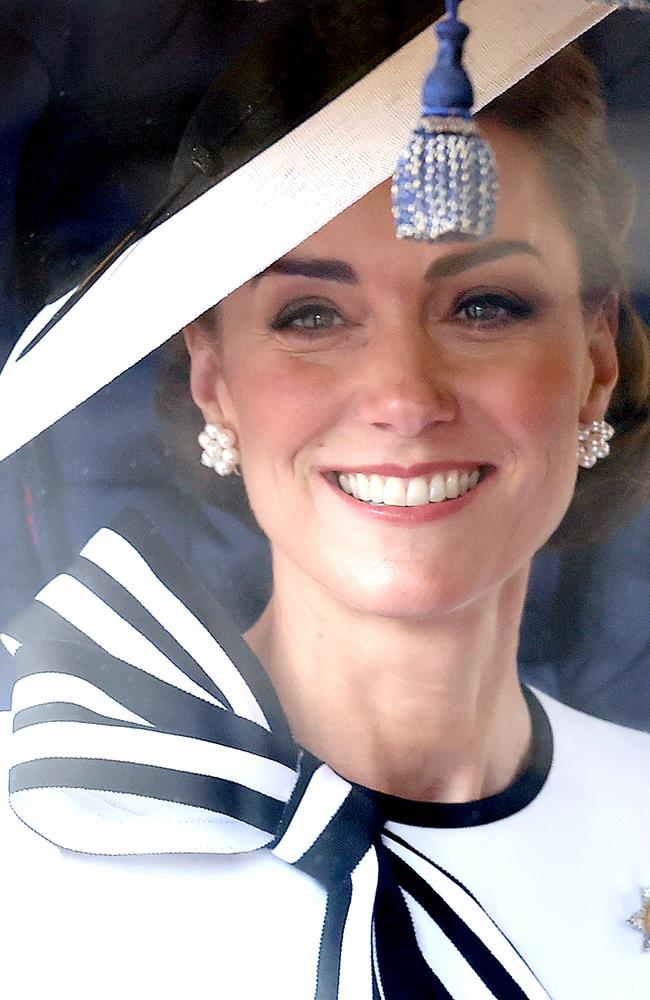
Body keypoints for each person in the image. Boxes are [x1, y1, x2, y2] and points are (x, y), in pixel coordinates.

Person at [1, 6, 649, 999]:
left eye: (483, 306)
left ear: (594, 359)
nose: (403, 397)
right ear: (212, 376)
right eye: (312, 315)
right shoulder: (25, 858)